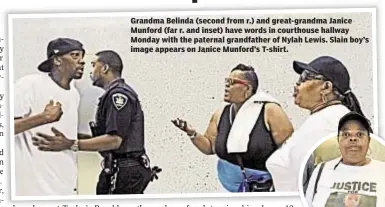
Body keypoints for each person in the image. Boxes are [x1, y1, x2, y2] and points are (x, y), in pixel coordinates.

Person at [32, 50, 158, 195]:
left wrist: (70, 144)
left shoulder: (118, 96)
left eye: (93, 65)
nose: (90, 71)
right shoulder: (114, 94)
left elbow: (114, 141)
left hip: (124, 171)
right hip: (124, 168)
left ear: (104, 68)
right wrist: (70, 137)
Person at [172, 63, 294, 192]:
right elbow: (209, 147)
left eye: (232, 82)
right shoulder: (221, 114)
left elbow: (289, 150)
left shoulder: (269, 110)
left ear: (247, 89)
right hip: (230, 189)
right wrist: (191, 133)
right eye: (226, 81)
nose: (227, 85)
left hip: (264, 189)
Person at [266, 55, 371, 192]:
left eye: (304, 78)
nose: (297, 85)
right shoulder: (326, 117)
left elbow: (307, 180)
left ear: (326, 87)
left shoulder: (327, 122)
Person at [13, 37, 86, 196]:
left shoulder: (74, 94)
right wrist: (43, 117)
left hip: (65, 188)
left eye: (82, 56)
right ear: (58, 60)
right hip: (34, 191)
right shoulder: (28, 85)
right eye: (75, 55)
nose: (82, 62)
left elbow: (64, 136)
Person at [305, 111, 385, 207]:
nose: (353, 138)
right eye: (346, 134)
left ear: (369, 140)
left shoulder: (382, 170)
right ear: (339, 140)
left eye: (359, 134)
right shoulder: (321, 170)